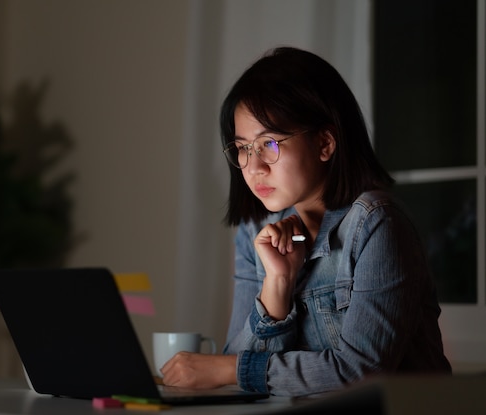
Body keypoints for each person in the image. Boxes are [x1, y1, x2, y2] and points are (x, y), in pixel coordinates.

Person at [160, 46, 451, 397]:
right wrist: (278, 283)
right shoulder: (256, 230)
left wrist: (228, 369)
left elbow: (362, 372)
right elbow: (241, 378)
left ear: (325, 143)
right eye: (242, 148)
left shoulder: (376, 224)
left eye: (268, 143)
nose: (253, 167)